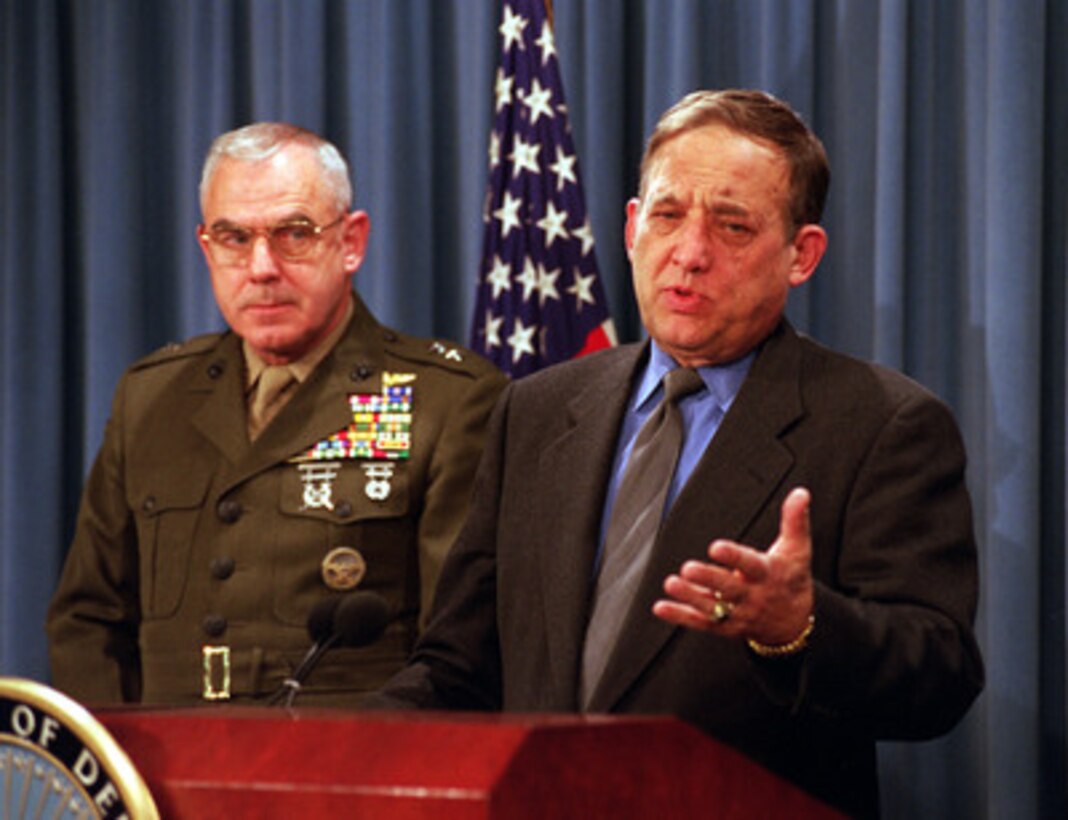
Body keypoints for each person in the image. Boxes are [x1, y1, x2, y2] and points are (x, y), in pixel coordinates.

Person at [368, 90, 984, 817]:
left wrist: (800, 627)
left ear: (801, 255)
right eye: (667, 216)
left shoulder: (883, 425)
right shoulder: (535, 410)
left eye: (732, 226)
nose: (689, 254)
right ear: (632, 228)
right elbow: (459, 666)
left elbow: (939, 675)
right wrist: (331, 749)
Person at [46, 123, 507, 707]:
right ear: (206, 247)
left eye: (294, 233)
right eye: (234, 237)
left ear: (351, 242)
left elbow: (457, 650)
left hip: (343, 777)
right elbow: (87, 619)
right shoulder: (150, 398)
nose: (261, 267)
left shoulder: (448, 401)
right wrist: (119, 768)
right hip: (160, 778)